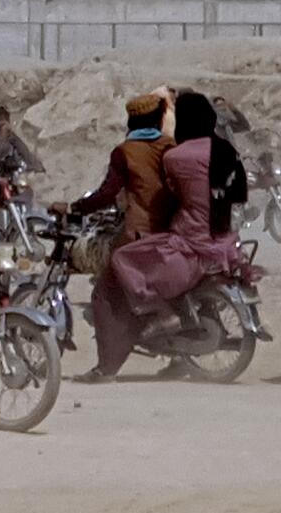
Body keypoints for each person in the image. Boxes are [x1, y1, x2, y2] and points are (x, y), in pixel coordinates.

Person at [100, 93, 247, 373]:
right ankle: (178, 355)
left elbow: (169, 195)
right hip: (225, 238)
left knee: (123, 259)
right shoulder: (227, 150)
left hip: (191, 238)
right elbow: (238, 193)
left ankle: (161, 313)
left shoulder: (174, 156)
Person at [50, 94, 176, 384]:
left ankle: (106, 368)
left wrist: (73, 208)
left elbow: (107, 193)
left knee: (104, 294)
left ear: (132, 121)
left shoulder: (125, 152)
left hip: (139, 232)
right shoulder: (169, 146)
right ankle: (175, 354)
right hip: (173, 230)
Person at [0, 106, 43, 172]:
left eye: (6, 119)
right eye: (0, 119)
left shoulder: (12, 138)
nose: (5, 123)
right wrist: (2, 137)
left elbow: (27, 157)